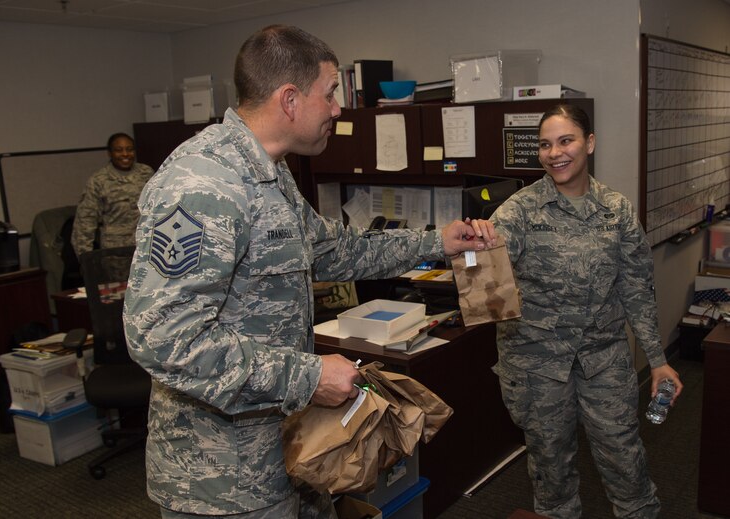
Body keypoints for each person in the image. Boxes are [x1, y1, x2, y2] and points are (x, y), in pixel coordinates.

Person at [123, 25, 495, 519]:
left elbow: (336, 250)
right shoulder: (203, 183)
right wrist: (309, 375)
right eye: (331, 93)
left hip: (288, 451)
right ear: (290, 99)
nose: (339, 109)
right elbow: (162, 337)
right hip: (222, 479)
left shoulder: (270, 173)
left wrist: (436, 243)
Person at [489, 103, 684, 519]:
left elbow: (636, 288)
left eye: (566, 140)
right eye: (544, 144)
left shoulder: (616, 210)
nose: (555, 153)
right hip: (538, 366)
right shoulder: (517, 212)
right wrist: (475, 252)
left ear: (589, 143)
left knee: (625, 460)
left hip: (604, 359)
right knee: (551, 472)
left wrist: (658, 360)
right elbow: (487, 292)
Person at [71, 132, 154, 257]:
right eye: (119, 150)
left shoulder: (146, 173)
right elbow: (85, 224)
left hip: (147, 247)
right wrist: (86, 261)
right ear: (110, 153)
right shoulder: (99, 181)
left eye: (129, 149)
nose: (125, 154)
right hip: (116, 252)